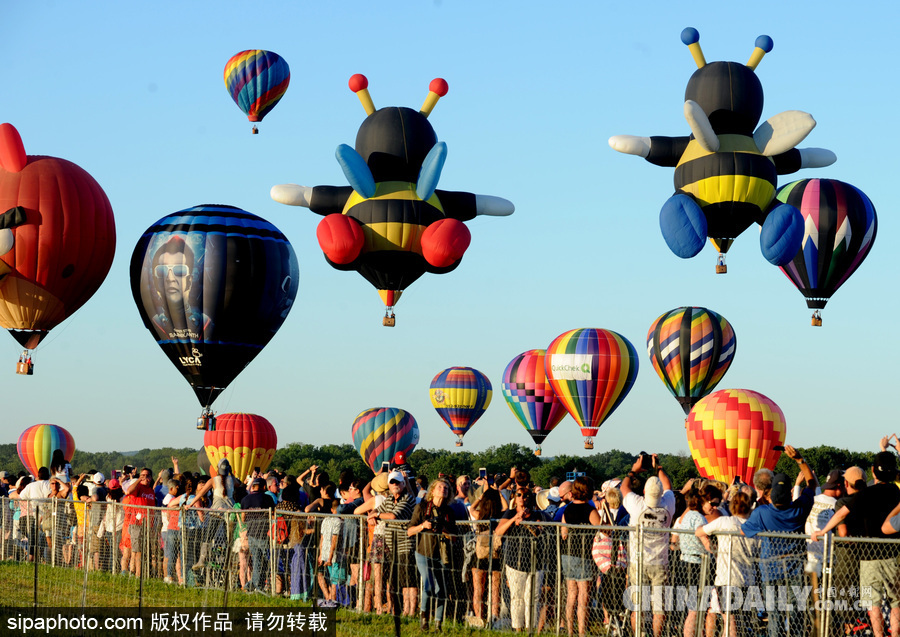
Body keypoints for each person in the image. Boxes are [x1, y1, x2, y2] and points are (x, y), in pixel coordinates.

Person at [815, 451, 900, 637]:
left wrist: (822, 531)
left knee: (873, 602)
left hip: (868, 557)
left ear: (873, 471)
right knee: (896, 601)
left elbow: (841, 514)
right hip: (893, 554)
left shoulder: (865, 494)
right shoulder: (896, 492)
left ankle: (878, 634)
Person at [742, 446, 816, 637]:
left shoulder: (761, 513)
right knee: (797, 614)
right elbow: (812, 484)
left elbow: (744, 530)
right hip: (796, 569)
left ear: (771, 495)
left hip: (770, 569)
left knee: (774, 615)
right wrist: (799, 459)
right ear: (790, 494)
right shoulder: (800, 509)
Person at [621, 453, 676, 637]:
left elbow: (624, 487)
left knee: (638, 607)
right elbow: (668, 486)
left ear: (644, 491)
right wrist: (658, 467)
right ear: (661, 494)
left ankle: (638, 634)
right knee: (659, 608)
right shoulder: (668, 505)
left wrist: (633, 471)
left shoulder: (637, 505)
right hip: (660, 562)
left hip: (638, 561)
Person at [696, 490, 756, 637]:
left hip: (727, 578)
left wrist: (707, 541)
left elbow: (700, 531)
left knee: (730, 623)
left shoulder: (725, 522)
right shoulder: (753, 526)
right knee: (738, 624)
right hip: (747, 580)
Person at [408, 476, 457, 631]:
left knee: (442, 588)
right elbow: (409, 531)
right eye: (440, 487)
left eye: (446, 488)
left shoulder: (449, 511)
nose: (443, 490)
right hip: (423, 552)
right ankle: (424, 617)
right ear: (432, 491)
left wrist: (445, 530)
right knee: (429, 585)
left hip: (442, 554)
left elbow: (455, 537)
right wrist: (423, 526)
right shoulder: (422, 507)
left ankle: (438, 624)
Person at [495, 488, 545, 633]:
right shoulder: (510, 513)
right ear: (515, 498)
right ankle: (518, 628)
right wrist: (514, 519)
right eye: (519, 495)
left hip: (535, 561)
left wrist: (526, 523)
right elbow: (498, 531)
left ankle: (531, 628)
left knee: (533, 597)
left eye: (526, 495)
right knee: (517, 596)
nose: (522, 498)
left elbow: (539, 532)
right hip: (514, 561)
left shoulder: (537, 514)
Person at [369, 470, 417, 618]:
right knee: (400, 580)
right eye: (392, 482)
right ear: (388, 486)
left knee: (409, 580)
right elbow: (376, 511)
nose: (395, 485)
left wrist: (376, 515)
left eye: (398, 482)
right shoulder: (389, 499)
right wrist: (373, 515)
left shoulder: (408, 499)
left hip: (406, 544)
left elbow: (393, 516)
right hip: (392, 546)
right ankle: (404, 611)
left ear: (403, 484)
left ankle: (411, 611)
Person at [149, 235, 213, 341]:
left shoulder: (206, 323)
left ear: (189, 281)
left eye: (180, 270)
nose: (170, 278)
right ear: (156, 282)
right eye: (161, 271)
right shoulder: (156, 323)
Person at [561, 475, 601, 637]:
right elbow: (603, 529)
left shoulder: (567, 509)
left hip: (568, 555)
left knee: (571, 594)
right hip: (584, 555)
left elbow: (564, 533)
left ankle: (570, 631)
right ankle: (582, 631)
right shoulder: (590, 510)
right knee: (583, 596)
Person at [671, 488, 707, 637]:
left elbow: (675, 540)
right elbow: (704, 540)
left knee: (690, 606)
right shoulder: (699, 518)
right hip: (697, 563)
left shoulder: (684, 518)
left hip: (684, 561)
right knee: (695, 608)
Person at [469, 487, 504, 628]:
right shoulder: (500, 517)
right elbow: (507, 508)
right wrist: (500, 494)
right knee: (495, 589)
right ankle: (493, 617)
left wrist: (480, 497)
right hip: (495, 554)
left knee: (478, 588)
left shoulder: (480, 515)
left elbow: (471, 508)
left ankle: (479, 618)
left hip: (480, 554)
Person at [240, 477, 276, 593]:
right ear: (264, 487)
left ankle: (253, 586)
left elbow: (243, 518)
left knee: (257, 561)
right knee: (266, 561)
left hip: (251, 533)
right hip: (264, 534)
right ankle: (257, 586)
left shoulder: (245, 499)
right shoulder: (267, 498)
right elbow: (273, 515)